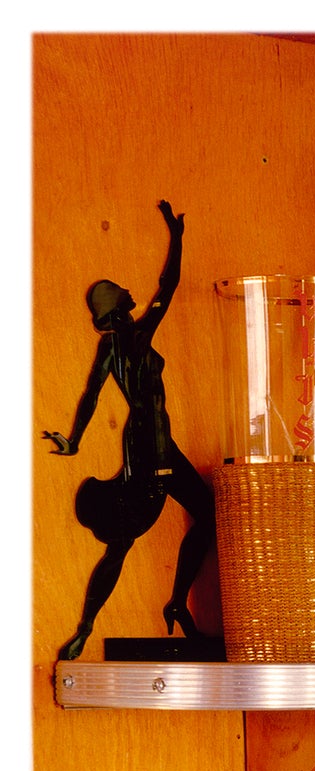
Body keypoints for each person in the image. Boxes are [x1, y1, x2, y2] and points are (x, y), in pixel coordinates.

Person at [42, 199, 215, 660]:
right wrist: (176, 239)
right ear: (121, 310)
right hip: (152, 444)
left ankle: (161, 608)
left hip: (153, 443)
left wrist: (75, 441)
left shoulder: (108, 351)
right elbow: (169, 284)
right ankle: (115, 618)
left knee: (140, 538)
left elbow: (91, 398)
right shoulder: (138, 335)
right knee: (137, 537)